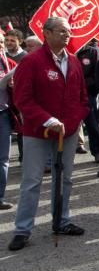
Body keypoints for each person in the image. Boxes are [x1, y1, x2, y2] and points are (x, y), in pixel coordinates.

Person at [8, 17, 90, 251]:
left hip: (68, 131)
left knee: (65, 177)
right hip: (37, 131)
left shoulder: (73, 62)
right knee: (32, 181)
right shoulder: (31, 62)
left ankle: (61, 221)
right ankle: (23, 230)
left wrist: (74, 120)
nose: (67, 35)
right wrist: (48, 119)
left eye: (69, 31)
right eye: (62, 31)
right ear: (46, 33)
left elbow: (82, 98)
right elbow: (23, 99)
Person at [75, 38, 99, 159]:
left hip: (87, 93)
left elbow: (98, 73)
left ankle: (98, 151)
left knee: (92, 124)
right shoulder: (65, 52)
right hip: (68, 93)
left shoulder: (93, 51)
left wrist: (84, 85)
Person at [0, 55, 14, 209]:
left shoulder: (6, 62)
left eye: (2, 43)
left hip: (3, 113)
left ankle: (0, 197)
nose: (1, 46)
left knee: (3, 159)